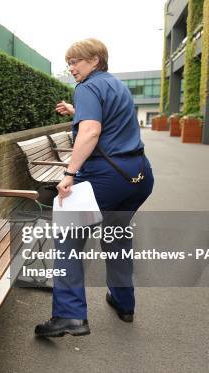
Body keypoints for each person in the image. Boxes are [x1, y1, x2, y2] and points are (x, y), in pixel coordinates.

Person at [34, 38, 154, 337]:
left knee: (68, 239)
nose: (71, 68)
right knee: (116, 236)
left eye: (76, 61)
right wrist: (77, 112)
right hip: (138, 175)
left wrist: (70, 173)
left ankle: (69, 315)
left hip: (106, 177)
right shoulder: (116, 85)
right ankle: (124, 301)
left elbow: (91, 130)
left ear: (95, 61)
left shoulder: (87, 87)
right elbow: (108, 121)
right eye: (69, 62)